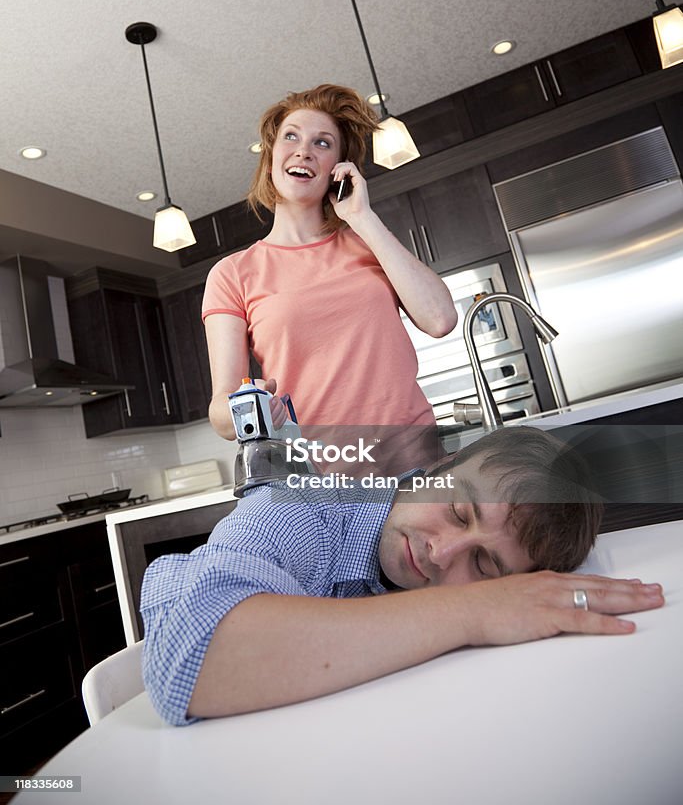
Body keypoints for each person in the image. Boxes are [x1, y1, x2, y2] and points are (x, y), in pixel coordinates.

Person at [140, 426, 665, 726]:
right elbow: (191, 657)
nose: (442, 553)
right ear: (439, 467)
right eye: (458, 510)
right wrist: (477, 606)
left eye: (484, 567)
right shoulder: (299, 507)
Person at [201, 83, 457, 458]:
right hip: (317, 477)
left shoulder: (370, 242)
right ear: (271, 156)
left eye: (322, 143)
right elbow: (221, 414)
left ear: (338, 168)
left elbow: (440, 319)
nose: (304, 150)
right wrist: (248, 407)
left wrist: (360, 216)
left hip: (413, 462)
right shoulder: (232, 274)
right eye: (291, 137)